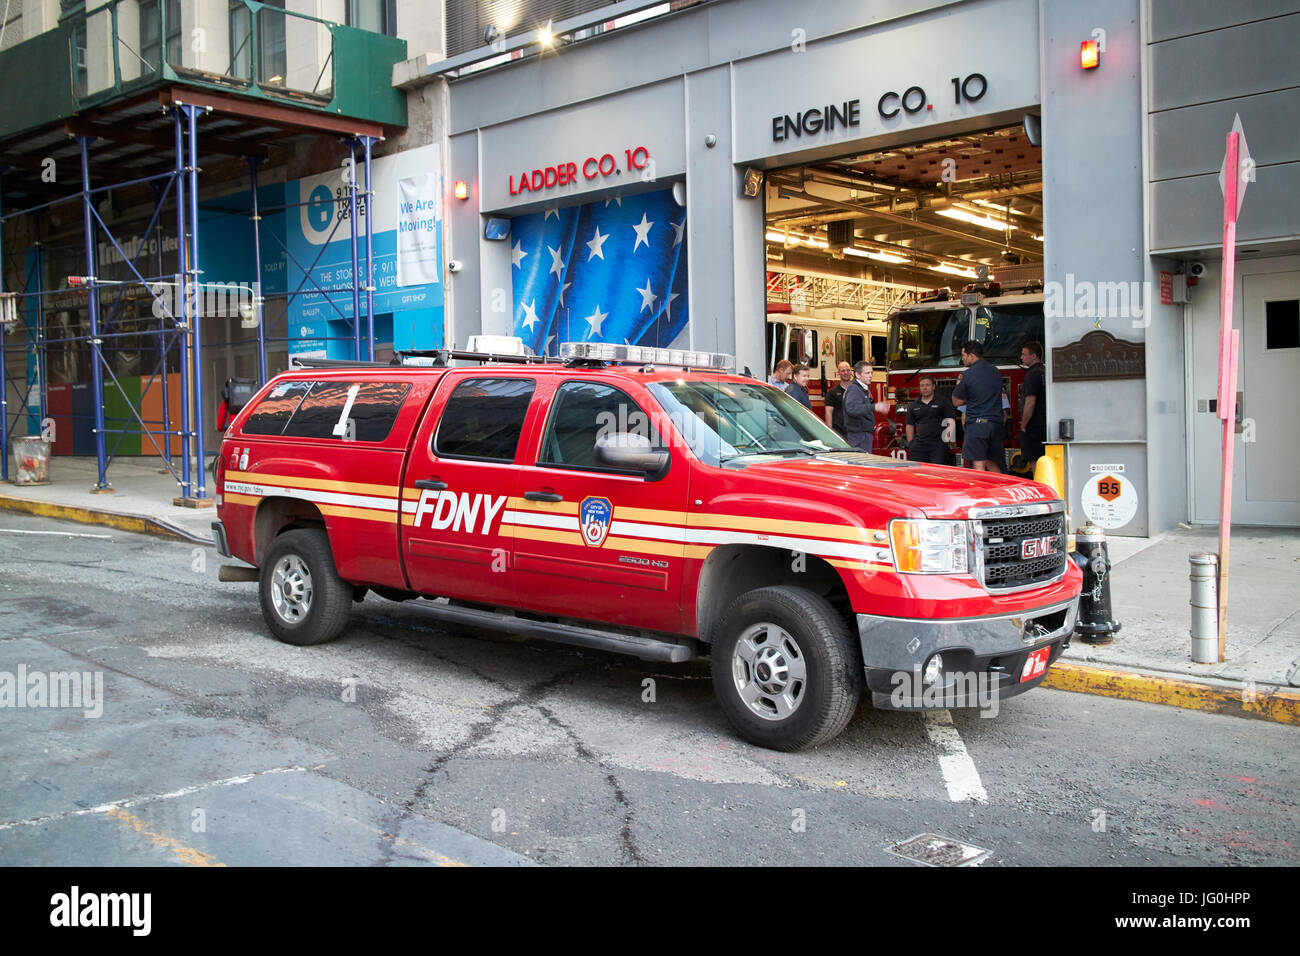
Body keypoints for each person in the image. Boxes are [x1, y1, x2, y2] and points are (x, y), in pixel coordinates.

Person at [951, 340, 1005, 472]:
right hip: (996, 424)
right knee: (993, 462)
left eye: (963, 355)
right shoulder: (996, 372)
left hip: (978, 425)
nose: (962, 359)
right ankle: (999, 490)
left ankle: (981, 492)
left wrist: (969, 399)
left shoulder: (967, 375)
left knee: (978, 462)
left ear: (971, 356)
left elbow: (956, 401)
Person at [904, 375, 956, 464]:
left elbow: (950, 422)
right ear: (919, 388)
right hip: (918, 446)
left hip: (938, 445)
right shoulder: (913, 405)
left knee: (937, 473)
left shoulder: (943, 401)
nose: (925, 388)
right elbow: (909, 425)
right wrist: (911, 444)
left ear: (933, 387)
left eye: (927, 385)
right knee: (920, 473)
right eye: (922, 385)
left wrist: (947, 442)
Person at [842, 360, 884, 453]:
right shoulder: (854, 389)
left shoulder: (860, 389)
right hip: (859, 437)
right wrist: (874, 407)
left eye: (871, 373)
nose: (870, 376)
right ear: (857, 375)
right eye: (867, 373)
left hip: (862, 436)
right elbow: (852, 409)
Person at [1018, 340, 1047, 470]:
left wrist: (1024, 425)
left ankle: (1038, 486)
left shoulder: (1032, 374)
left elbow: (1030, 401)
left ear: (1034, 356)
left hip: (1033, 425)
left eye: (1024, 354)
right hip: (1045, 423)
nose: (1021, 357)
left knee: (1034, 460)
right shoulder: (1045, 370)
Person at [823, 361, 853, 435]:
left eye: (848, 370)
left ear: (851, 372)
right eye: (843, 371)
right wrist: (830, 432)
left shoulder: (858, 390)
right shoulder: (832, 392)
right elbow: (828, 412)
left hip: (855, 432)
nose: (846, 373)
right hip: (839, 431)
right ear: (838, 373)